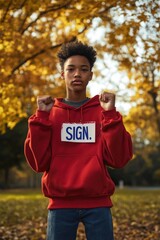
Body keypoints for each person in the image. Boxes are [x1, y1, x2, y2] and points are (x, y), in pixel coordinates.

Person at [24, 40, 133, 240]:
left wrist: (110, 116)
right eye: (71, 69)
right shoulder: (49, 112)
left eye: (83, 69)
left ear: (90, 75)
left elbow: (118, 159)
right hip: (60, 205)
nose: (77, 74)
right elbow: (38, 163)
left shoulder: (103, 111)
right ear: (62, 74)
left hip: (98, 204)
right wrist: (40, 118)